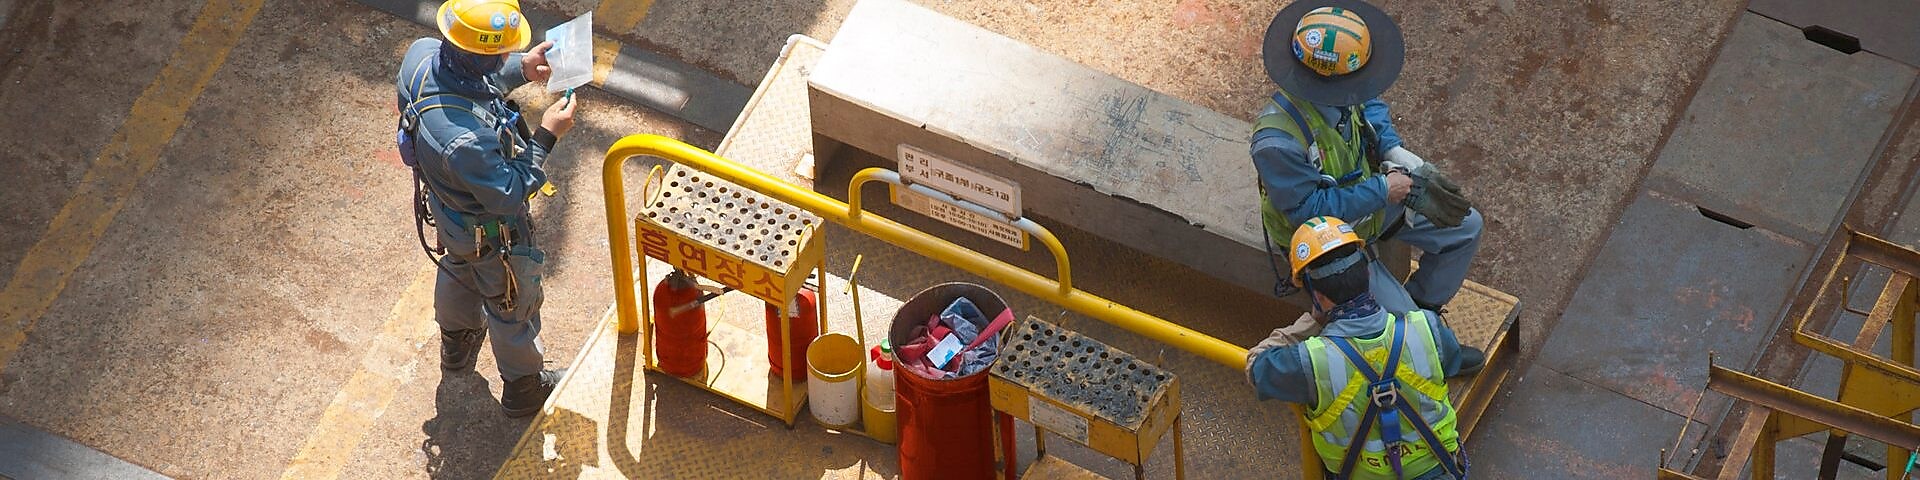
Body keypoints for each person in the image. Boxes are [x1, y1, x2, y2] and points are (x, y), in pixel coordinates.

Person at [395, 0, 579, 417]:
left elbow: (469, 81)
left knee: (458, 273)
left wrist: (521, 68)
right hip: (491, 232)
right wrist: (547, 135)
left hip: (449, 213)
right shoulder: (466, 142)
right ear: (484, 53)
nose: (504, 57)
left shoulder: (420, 55)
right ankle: (523, 389)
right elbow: (511, 192)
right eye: (501, 53)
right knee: (513, 304)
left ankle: (456, 347)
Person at [1250, 0, 1480, 317]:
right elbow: (1308, 213)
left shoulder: (1346, 85)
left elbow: (1370, 107)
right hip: (1324, 240)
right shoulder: (1277, 143)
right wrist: (1383, 191)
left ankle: (1424, 307)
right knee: (1398, 326)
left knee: (1466, 228)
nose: (1362, 90)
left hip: (1367, 205)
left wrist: (1390, 148)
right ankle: (1415, 325)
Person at [1247, 216, 1478, 479]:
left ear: (1319, 297)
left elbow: (1256, 364)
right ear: (1368, 275)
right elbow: (1451, 361)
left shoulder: (1311, 362)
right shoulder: (1427, 328)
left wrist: (1312, 321)